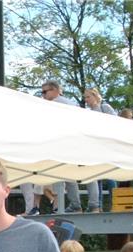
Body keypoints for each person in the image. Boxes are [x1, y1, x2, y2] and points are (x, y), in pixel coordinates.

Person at [42, 80, 82, 213]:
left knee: (65, 174)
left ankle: (73, 205)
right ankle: (74, 204)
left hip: (64, 143)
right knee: (69, 175)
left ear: (55, 90)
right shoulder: (70, 103)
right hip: (72, 142)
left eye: (45, 91)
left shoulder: (56, 104)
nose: (43, 95)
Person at [83, 88, 117, 212]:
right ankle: (98, 206)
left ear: (95, 96)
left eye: (88, 97)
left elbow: (116, 122)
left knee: (109, 175)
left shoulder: (105, 107)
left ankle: (115, 203)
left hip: (106, 145)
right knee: (97, 175)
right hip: (94, 147)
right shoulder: (88, 112)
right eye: (85, 98)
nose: (86, 100)